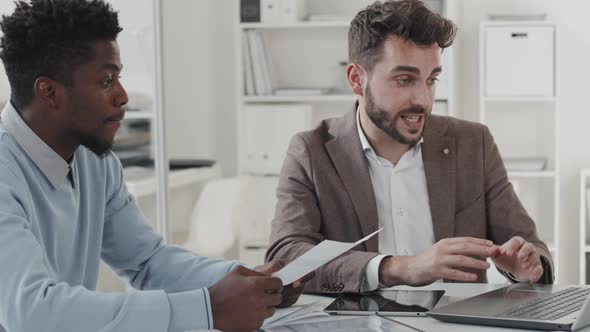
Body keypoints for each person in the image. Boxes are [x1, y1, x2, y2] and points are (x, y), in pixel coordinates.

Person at [0, 1, 309, 331]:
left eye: (119, 77)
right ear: (49, 92)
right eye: (106, 81)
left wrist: (247, 282)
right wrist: (206, 308)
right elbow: (32, 312)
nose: (122, 95)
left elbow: (147, 261)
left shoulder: (95, 162)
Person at [266, 0, 554, 294]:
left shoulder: (473, 143)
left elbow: (531, 247)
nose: (423, 99)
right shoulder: (311, 151)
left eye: (431, 80)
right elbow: (286, 258)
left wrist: (525, 266)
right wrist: (399, 267)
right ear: (356, 79)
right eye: (404, 79)